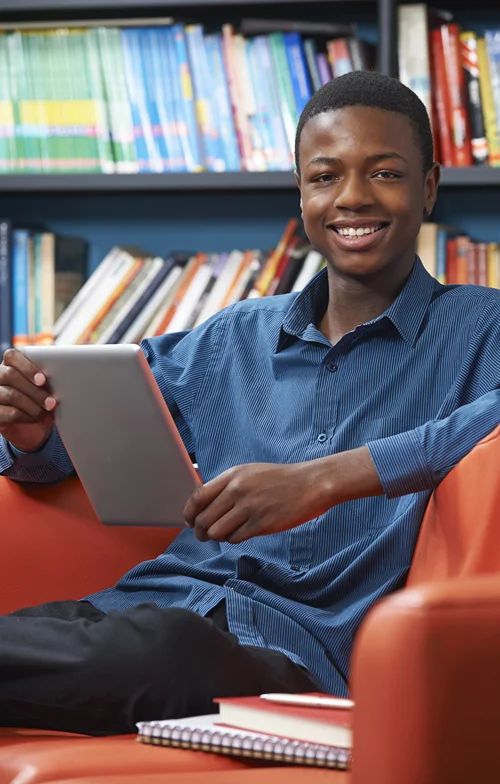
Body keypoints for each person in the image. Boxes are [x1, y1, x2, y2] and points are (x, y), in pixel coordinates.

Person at [0, 71, 499, 736]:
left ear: (429, 187)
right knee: (69, 632)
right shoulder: (233, 336)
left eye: (384, 173)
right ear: (301, 192)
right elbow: (76, 442)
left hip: (289, 656)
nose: (351, 197)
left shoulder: (476, 325)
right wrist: (32, 433)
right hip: (141, 609)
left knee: (169, 653)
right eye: (324, 176)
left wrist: (324, 480)